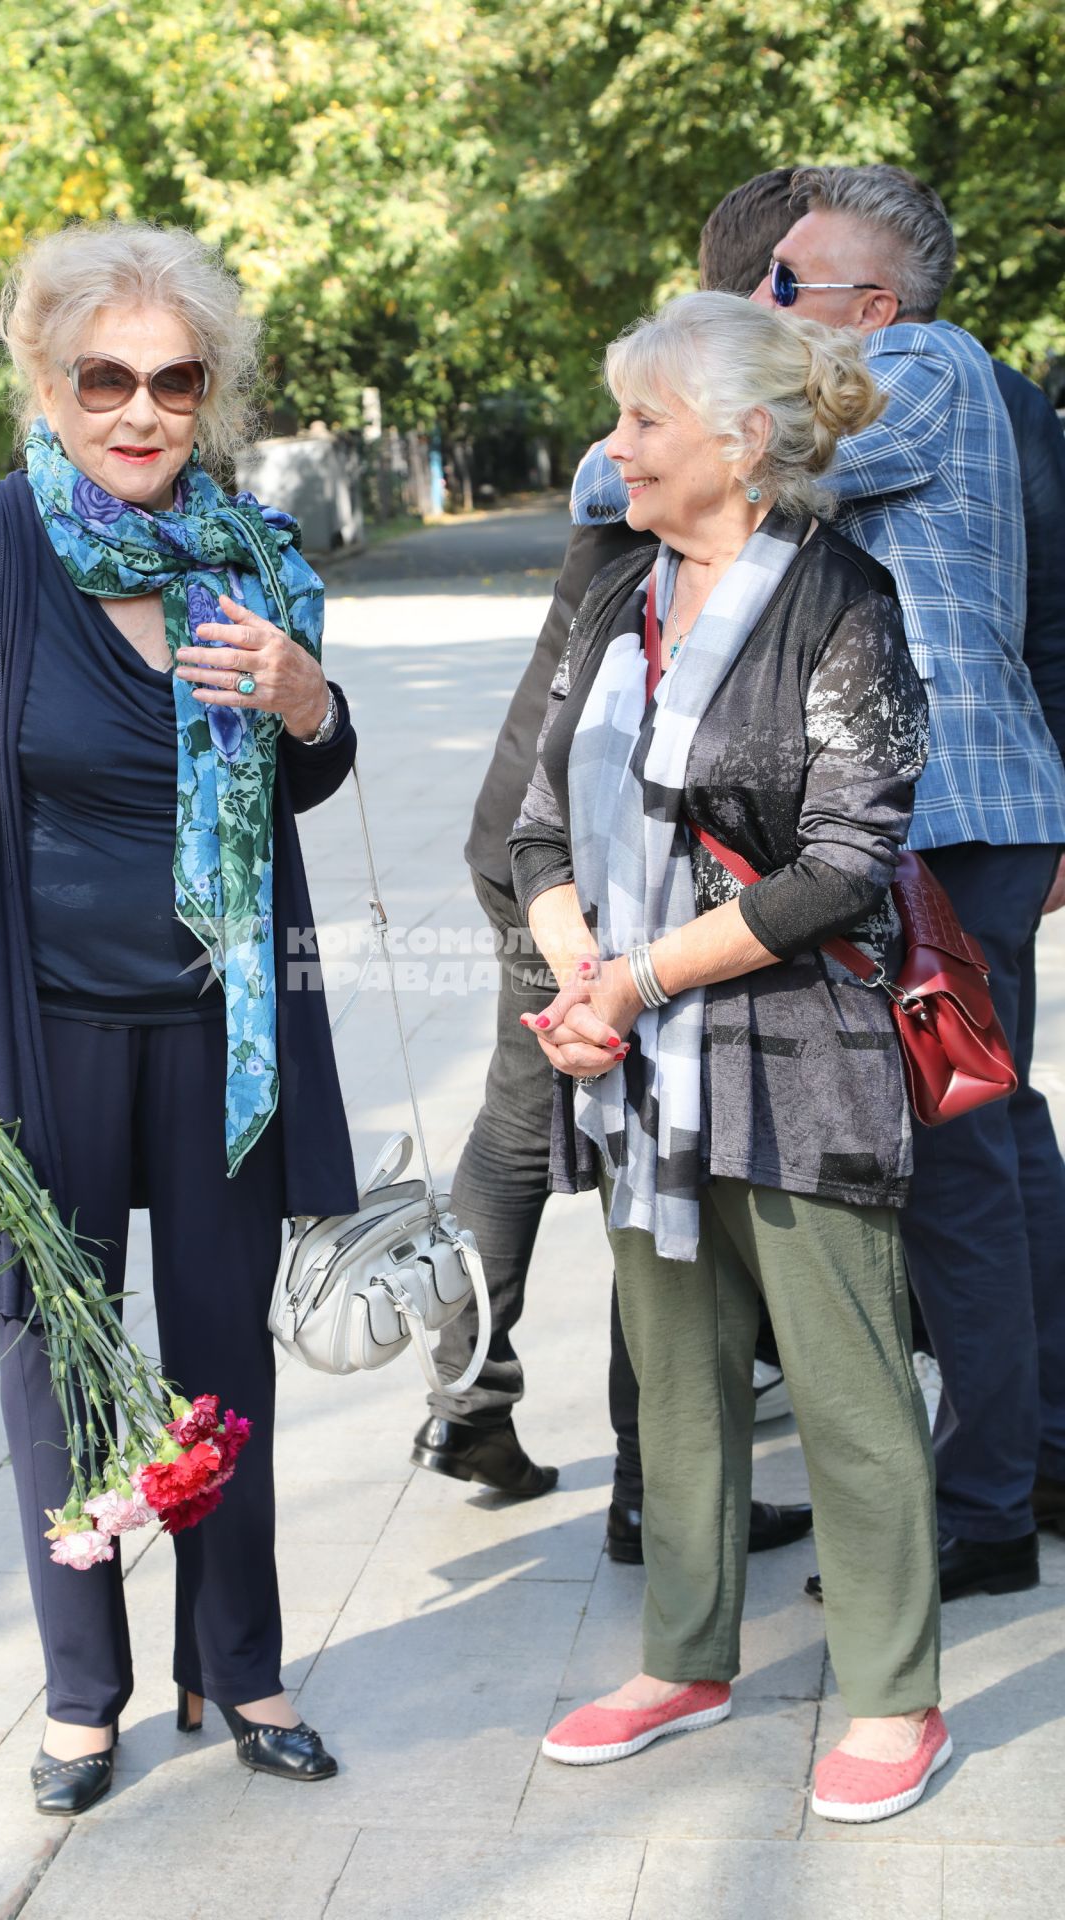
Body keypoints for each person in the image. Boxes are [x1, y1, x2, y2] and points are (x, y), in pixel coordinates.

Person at [0, 222, 359, 1815]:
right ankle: (86, 1694)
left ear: (211, 392)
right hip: (41, 1032)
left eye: (174, 380)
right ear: (50, 382)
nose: (141, 410)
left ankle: (243, 1660)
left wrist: (305, 698)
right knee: (60, 1357)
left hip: (224, 1038)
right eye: (106, 379)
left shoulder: (253, 556)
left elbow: (313, 772)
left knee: (225, 1363)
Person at [513, 292, 948, 1825]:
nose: (613, 447)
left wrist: (631, 979)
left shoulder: (843, 601)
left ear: (742, 442)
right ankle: (684, 1658)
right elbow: (536, 822)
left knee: (844, 1385)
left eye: (642, 421)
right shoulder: (617, 588)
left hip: (795, 1045)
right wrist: (580, 980)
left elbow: (845, 864)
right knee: (678, 1382)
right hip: (632, 1056)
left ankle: (895, 1691)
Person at [413, 165, 813, 1572]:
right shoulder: (676, 437)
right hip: (579, 854)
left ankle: (480, 1396)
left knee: (542, 1131)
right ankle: (650, 1483)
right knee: (648, 1150)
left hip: (557, 838)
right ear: (772, 297)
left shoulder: (691, 432)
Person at [751, 165, 1065, 1598]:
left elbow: (727, 459)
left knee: (950, 1170)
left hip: (937, 822)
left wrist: (677, 393)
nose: (763, 302)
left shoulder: (922, 365)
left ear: (872, 307)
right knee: (980, 1157)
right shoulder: (924, 373)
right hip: (947, 819)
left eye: (785, 286)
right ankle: (1017, 1466)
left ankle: (984, 1507)